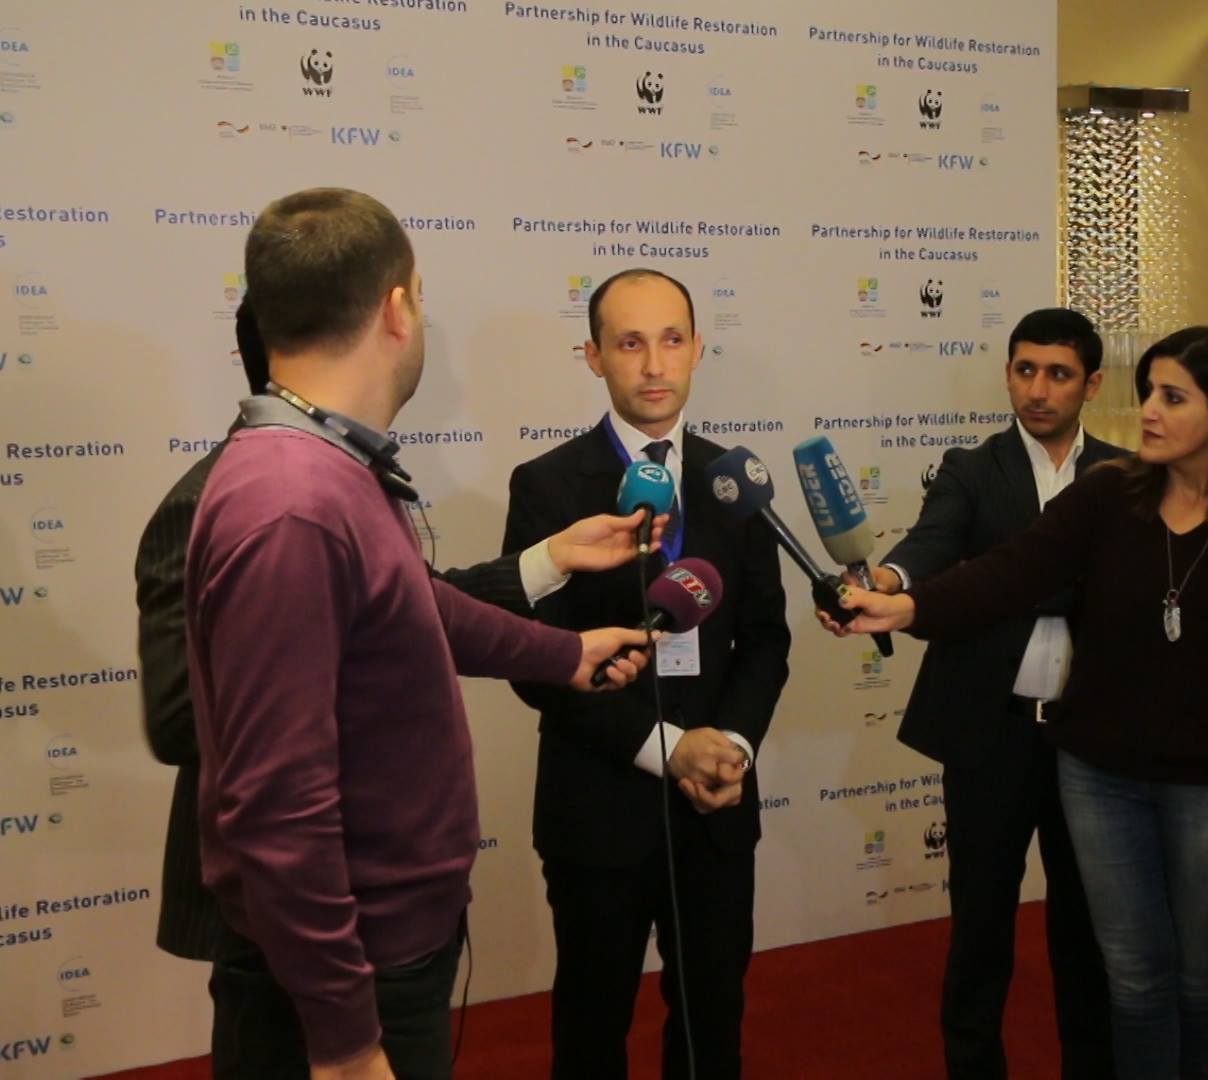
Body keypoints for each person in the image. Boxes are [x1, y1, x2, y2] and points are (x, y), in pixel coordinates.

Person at [183, 187, 659, 1080]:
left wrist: (563, 653)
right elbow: (278, 803)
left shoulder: (327, 467)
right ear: (398, 308)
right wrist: (343, 1042)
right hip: (353, 974)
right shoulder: (292, 503)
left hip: (385, 946)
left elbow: (416, 604)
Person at [830, 326, 1208, 1079]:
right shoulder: (1111, 493)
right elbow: (1009, 572)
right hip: (1102, 777)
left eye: (1173, 398)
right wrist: (904, 607)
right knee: (1132, 976)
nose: (1150, 411)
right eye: (1149, 394)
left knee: (1199, 973)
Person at [136, 300, 663, 969]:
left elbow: (411, 609)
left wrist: (551, 567)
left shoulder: (349, 478)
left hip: (389, 894)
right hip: (287, 912)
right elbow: (179, 718)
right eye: (400, 304)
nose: (408, 331)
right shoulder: (214, 501)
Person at [503, 267, 792, 1080]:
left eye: (671, 340)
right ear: (594, 356)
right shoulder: (547, 485)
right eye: (630, 343)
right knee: (592, 1029)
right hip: (599, 809)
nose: (655, 365)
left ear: (698, 348)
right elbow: (536, 661)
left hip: (716, 805)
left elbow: (766, 640)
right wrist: (667, 748)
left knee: (711, 1024)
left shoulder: (736, 482)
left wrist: (731, 746)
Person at [868, 307, 1120, 1078]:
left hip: (1090, 739)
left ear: (1091, 384)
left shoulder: (1123, 475)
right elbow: (932, 541)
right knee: (980, 927)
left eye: (1058, 374)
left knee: (1088, 931)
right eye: (1025, 369)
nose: (1037, 390)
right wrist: (891, 580)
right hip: (990, 735)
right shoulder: (971, 470)